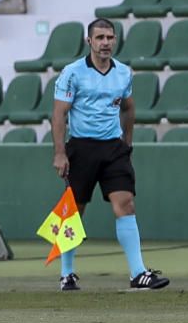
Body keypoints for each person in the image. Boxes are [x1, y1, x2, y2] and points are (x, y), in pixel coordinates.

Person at [51, 18, 169, 292]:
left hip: (113, 148)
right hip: (81, 147)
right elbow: (60, 114)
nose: (105, 43)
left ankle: (138, 272)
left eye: (110, 37)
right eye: (100, 37)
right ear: (89, 41)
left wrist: (127, 142)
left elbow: (128, 107)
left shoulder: (124, 73)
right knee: (74, 213)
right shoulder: (72, 72)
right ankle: (67, 273)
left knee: (126, 204)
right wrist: (60, 153)